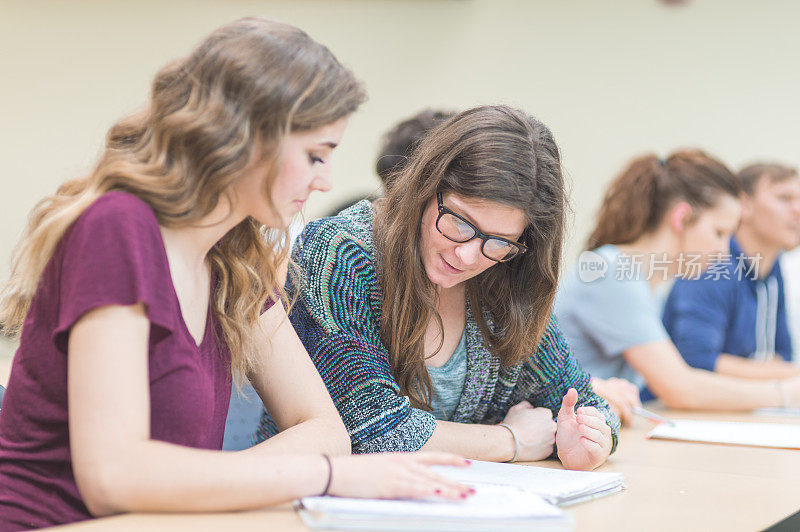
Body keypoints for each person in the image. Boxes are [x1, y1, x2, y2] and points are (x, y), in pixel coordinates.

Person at [0, 18, 470, 531]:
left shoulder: (234, 259)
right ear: (245, 140)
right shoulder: (118, 228)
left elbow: (324, 429)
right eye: (315, 155)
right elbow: (114, 477)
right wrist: (326, 477)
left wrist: (211, 478)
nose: (326, 180)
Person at [256, 105, 620, 471]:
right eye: (460, 222)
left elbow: (582, 400)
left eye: (498, 241)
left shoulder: (505, 278)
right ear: (426, 186)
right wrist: (509, 440)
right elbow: (371, 432)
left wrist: (591, 438)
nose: (467, 255)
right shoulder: (340, 253)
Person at [555, 150, 800, 412]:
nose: (724, 251)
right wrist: (785, 392)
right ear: (681, 218)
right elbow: (680, 388)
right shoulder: (610, 273)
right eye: (719, 232)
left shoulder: (647, 284)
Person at [663, 163, 800, 378]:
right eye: (784, 198)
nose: (797, 210)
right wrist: (774, 372)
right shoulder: (712, 262)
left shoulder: (772, 268)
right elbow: (696, 360)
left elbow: (783, 355)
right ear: (744, 204)